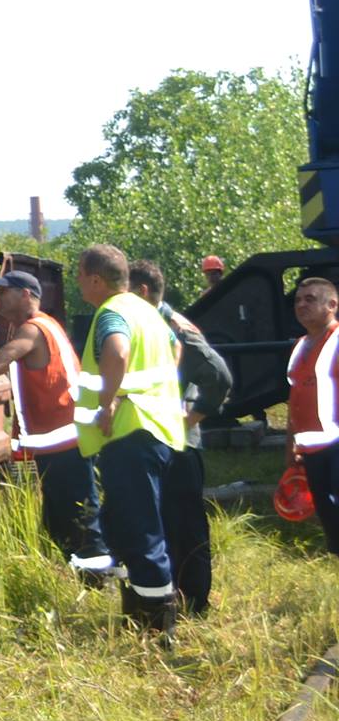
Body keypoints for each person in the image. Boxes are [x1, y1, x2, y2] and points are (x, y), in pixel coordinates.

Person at [0, 270, 112, 572]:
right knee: (60, 518)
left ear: (26, 295)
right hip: (62, 441)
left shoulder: (33, 330)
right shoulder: (48, 325)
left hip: (63, 442)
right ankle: (84, 575)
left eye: (4, 292)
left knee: (80, 517)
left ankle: (99, 580)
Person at [74, 243, 186, 636]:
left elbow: (117, 352)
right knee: (126, 529)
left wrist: (108, 404)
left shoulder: (112, 312)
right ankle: (139, 616)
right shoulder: (148, 311)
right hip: (158, 432)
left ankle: (157, 633)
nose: (76, 283)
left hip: (129, 435)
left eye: (79, 275)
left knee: (142, 535)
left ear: (95, 279)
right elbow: (176, 350)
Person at [130, 258, 232, 615]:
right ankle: (173, 595)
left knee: (185, 525)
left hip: (179, 445)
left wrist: (188, 420)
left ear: (142, 291)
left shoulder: (173, 326)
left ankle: (195, 604)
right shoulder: (150, 322)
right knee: (165, 522)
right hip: (157, 441)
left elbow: (219, 377)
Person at [288, 276, 339, 555]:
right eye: (298, 300)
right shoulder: (300, 346)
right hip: (312, 450)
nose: (301, 305)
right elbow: (294, 397)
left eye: (310, 299)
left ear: (332, 305)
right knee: (331, 522)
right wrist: (291, 447)